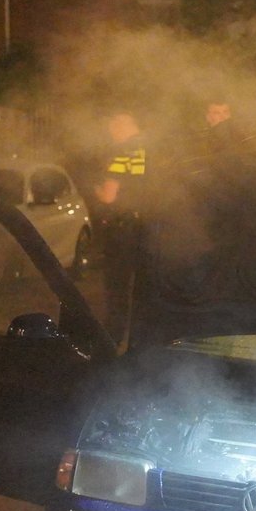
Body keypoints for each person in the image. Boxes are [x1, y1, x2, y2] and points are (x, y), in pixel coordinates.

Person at [93, 112, 147, 343]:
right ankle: (140, 341)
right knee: (143, 288)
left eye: (112, 127)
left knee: (117, 288)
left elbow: (109, 196)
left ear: (122, 124)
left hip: (122, 229)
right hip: (146, 227)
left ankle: (112, 340)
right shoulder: (150, 150)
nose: (111, 133)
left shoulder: (122, 152)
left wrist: (95, 190)